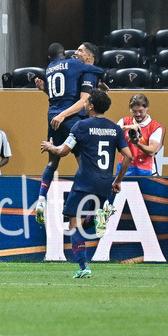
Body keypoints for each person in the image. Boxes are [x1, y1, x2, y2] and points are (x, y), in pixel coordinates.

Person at [40, 88, 132, 279]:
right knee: (85, 223)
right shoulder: (114, 128)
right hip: (105, 183)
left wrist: (50, 147)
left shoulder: (81, 126)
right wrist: (118, 180)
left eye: (86, 102)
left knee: (74, 224)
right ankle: (99, 215)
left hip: (84, 182)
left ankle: (83, 266)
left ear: (90, 105)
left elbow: (63, 152)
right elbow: (128, 156)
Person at [32, 41, 104, 224]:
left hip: (53, 116)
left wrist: (45, 91)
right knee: (86, 164)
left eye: (80, 50)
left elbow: (64, 93)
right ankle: (94, 210)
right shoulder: (84, 69)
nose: (76, 52)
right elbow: (83, 100)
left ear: (89, 54)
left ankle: (41, 199)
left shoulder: (51, 67)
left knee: (52, 162)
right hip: (71, 120)